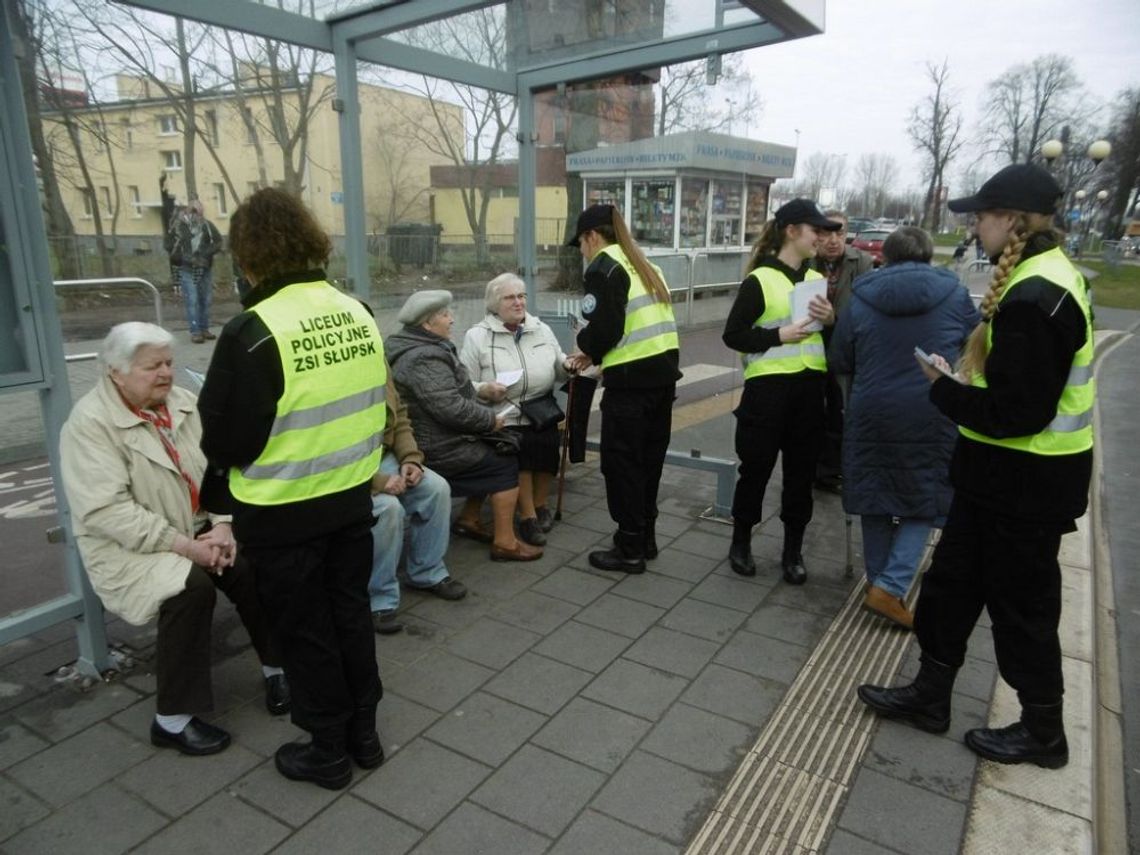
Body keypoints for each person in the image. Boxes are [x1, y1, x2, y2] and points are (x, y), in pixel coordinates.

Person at [857, 164, 1094, 770]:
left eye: (982, 216)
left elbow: (1019, 413)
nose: (974, 226)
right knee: (951, 587)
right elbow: (1015, 392)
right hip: (994, 479)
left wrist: (943, 389)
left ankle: (1044, 731)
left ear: (1011, 220)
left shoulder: (1037, 296)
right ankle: (930, 695)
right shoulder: (1037, 280)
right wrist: (966, 383)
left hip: (1026, 487)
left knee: (1022, 611)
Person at [198, 188, 386, 790]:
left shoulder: (252, 333)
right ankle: (364, 734)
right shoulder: (357, 311)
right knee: (350, 615)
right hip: (351, 499)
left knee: (305, 632)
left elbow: (225, 440)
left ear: (248, 255)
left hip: (281, 512)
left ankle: (327, 749)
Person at [59, 322, 288, 757]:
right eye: (152, 367)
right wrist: (186, 547)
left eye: (168, 363)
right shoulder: (89, 424)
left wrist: (223, 524)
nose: (166, 373)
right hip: (128, 544)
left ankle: (278, 668)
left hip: (197, 524)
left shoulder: (183, 402)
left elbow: (221, 467)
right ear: (115, 372)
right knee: (190, 588)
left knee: (252, 564)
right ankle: (172, 719)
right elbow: (106, 512)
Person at [828, 227, 979, 628]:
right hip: (933, 406)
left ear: (886, 256)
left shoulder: (861, 296)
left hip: (871, 409)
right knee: (924, 497)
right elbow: (977, 345)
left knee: (874, 493)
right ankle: (890, 586)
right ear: (928, 255)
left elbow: (839, 358)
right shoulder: (954, 293)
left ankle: (879, 583)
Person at [722, 199, 841, 585]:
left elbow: (826, 338)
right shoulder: (759, 280)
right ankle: (741, 543)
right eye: (815, 231)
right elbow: (733, 335)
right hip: (768, 392)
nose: (821, 238)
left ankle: (793, 552)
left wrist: (831, 320)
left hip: (809, 391)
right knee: (755, 470)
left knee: (801, 476)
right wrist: (777, 335)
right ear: (792, 231)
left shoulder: (814, 278)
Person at [565, 204, 681, 574]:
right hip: (662, 380)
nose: (583, 253)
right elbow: (631, 324)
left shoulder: (604, 266)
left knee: (622, 466)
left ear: (591, 236)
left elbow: (606, 328)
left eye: (580, 244)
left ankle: (629, 548)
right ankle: (646, 538)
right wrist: (594, 353)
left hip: (630, 386)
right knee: (648, 463)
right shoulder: (645, 265)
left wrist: (585, 345)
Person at [386, 290, 543, 562]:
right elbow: (449, 407)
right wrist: (489, 420)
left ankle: (469, 519)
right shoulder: (423, 358)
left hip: (435, 436)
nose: (452, 320)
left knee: (493, 449)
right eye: (445, 315)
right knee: (504, 462)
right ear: (427, 324)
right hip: (436, 447)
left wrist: (482, 400)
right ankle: (505, 543)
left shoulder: (414, 346)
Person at [460, 273, 571, 547]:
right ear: (494, 304)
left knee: (548, 448)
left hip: (541, 409)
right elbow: (464, 383)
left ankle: (541, 504)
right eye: (510, 297)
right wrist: (484, 389)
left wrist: (568, 365)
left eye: (521, 296)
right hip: (502, 414)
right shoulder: (477, 336)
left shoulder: (540, 329)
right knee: (521, 451)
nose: (518, 302)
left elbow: (559, 365)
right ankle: (528, 516)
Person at [368, 367, 464, 636]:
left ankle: (427, 572)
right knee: (388, 509)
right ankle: (379, 598)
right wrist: (377, 482)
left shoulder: (377, 360)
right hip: (347, 468)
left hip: (383, 455)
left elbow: (399, 417)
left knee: (435, 488)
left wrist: (410, 458)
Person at [810, 210, 874, 492]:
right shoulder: (807, 260)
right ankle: (810, 467)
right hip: (809, 344)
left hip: (844, 346)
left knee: (838, 410)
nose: (834, 240)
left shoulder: (862, 262)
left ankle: (831, 471)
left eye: (840, 233)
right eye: (827, 233)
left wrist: (834, 319)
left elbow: (864, 309)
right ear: (817, 235)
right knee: (811, 411)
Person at [166, 199, 223, 343]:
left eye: (200, 212)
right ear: (188, 210)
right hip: (187, 269)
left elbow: (218, 242)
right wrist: (185, 258)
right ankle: (195, 331)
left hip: (204, 267)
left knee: (206, 300)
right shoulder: (178, 226)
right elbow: (168, 245)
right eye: (196, 212)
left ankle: (204, 328)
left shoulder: (207, 225)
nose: (198, 215)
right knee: (192, 300)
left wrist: (205, 254)